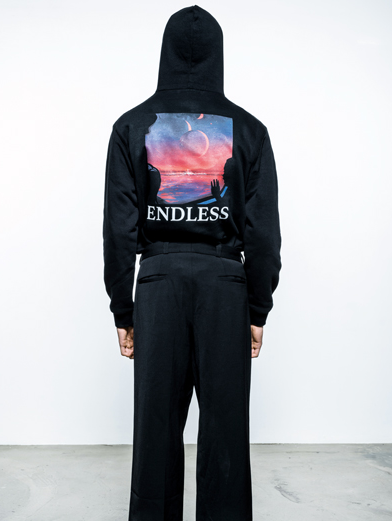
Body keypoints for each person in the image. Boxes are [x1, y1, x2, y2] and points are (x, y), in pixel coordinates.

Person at [102, 5, 282, 520]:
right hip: (226, 284)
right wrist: (257, 308)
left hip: (158, 284)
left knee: (155, 431)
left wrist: (123, 310)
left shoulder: (130, 126)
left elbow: (119, 228)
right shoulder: (250, 130)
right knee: (226, 433)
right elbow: (263, 232)